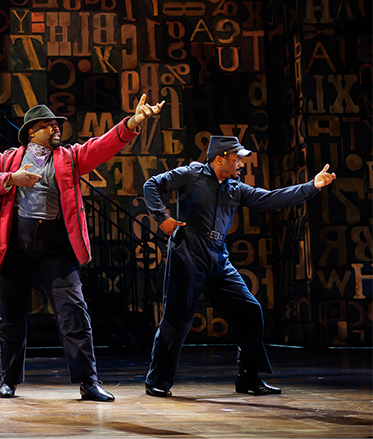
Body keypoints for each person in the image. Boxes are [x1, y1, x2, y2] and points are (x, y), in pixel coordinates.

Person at [0, 96, 165, 401]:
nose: (56, 128)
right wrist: (11, 179)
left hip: (55, 246)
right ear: (32, 131)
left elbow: (101, 146)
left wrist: (133, 122)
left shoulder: (69, 157)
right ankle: (9, 380)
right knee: (10, 318)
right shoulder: (9, 159)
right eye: (49, 124)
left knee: (73, 313)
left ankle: (88, 381)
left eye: (57, 124)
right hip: (15, 245)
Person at [142, 136, 336, 398]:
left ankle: (248, 377)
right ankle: (157, 380)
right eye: (237, 159)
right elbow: (151, 184)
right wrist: (162, 218)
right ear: (219, 159)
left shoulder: (236, 189)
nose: (242, 164)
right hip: (188, 252)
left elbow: (272, 198)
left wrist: (312, 186)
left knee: (249, 310)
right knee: (177, 318)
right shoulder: (192, 174)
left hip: (217, 255)